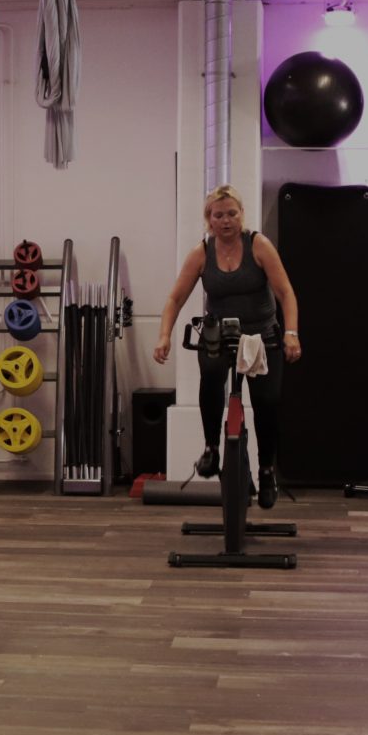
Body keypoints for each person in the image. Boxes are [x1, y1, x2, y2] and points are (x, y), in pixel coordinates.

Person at [152, 185, 303, 509]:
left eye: (232, 214)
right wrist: (164, 336)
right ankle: (211, 449)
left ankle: (266, 471)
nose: (226, 221)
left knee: (267, 402)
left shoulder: (258, 245)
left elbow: (286, 292)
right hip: (218, 334)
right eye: (218, 215)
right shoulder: (202, 253)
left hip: (261, 336)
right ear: (209, 219)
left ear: (241, 215)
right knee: (211, 376)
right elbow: (175, 298)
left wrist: (291, 333)